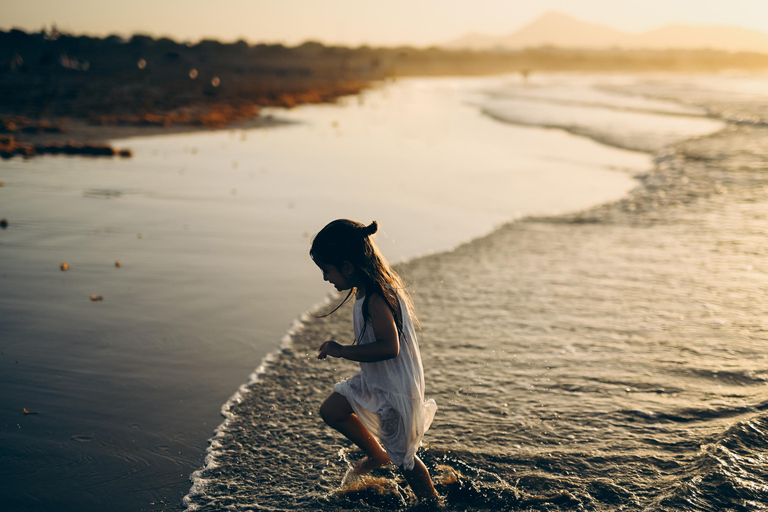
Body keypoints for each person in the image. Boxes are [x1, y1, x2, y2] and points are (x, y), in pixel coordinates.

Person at [310, 219, 439, 504]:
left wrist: (342, 350)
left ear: (348, 267)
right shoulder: (364, 291)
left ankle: (433, 503)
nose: (324, 278)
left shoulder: (377, 299)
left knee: (406, 461)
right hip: (377, 382)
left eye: (326, 270)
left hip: (394, 389)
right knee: (332, 410)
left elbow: (389, 348)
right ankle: (378, 456)